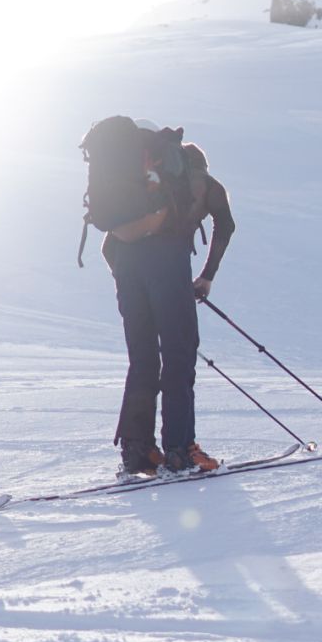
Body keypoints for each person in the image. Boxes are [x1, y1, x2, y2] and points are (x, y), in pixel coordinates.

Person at [102, 138, 236, 476]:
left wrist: (130, 281)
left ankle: (138, 451)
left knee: (143, 359)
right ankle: (180, 451)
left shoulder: (142, 194)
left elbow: (108, 247)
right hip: (168, 268)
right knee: (178, 356)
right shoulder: (205, 184)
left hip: (130, 274)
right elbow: (226, 224)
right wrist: (205, 277)